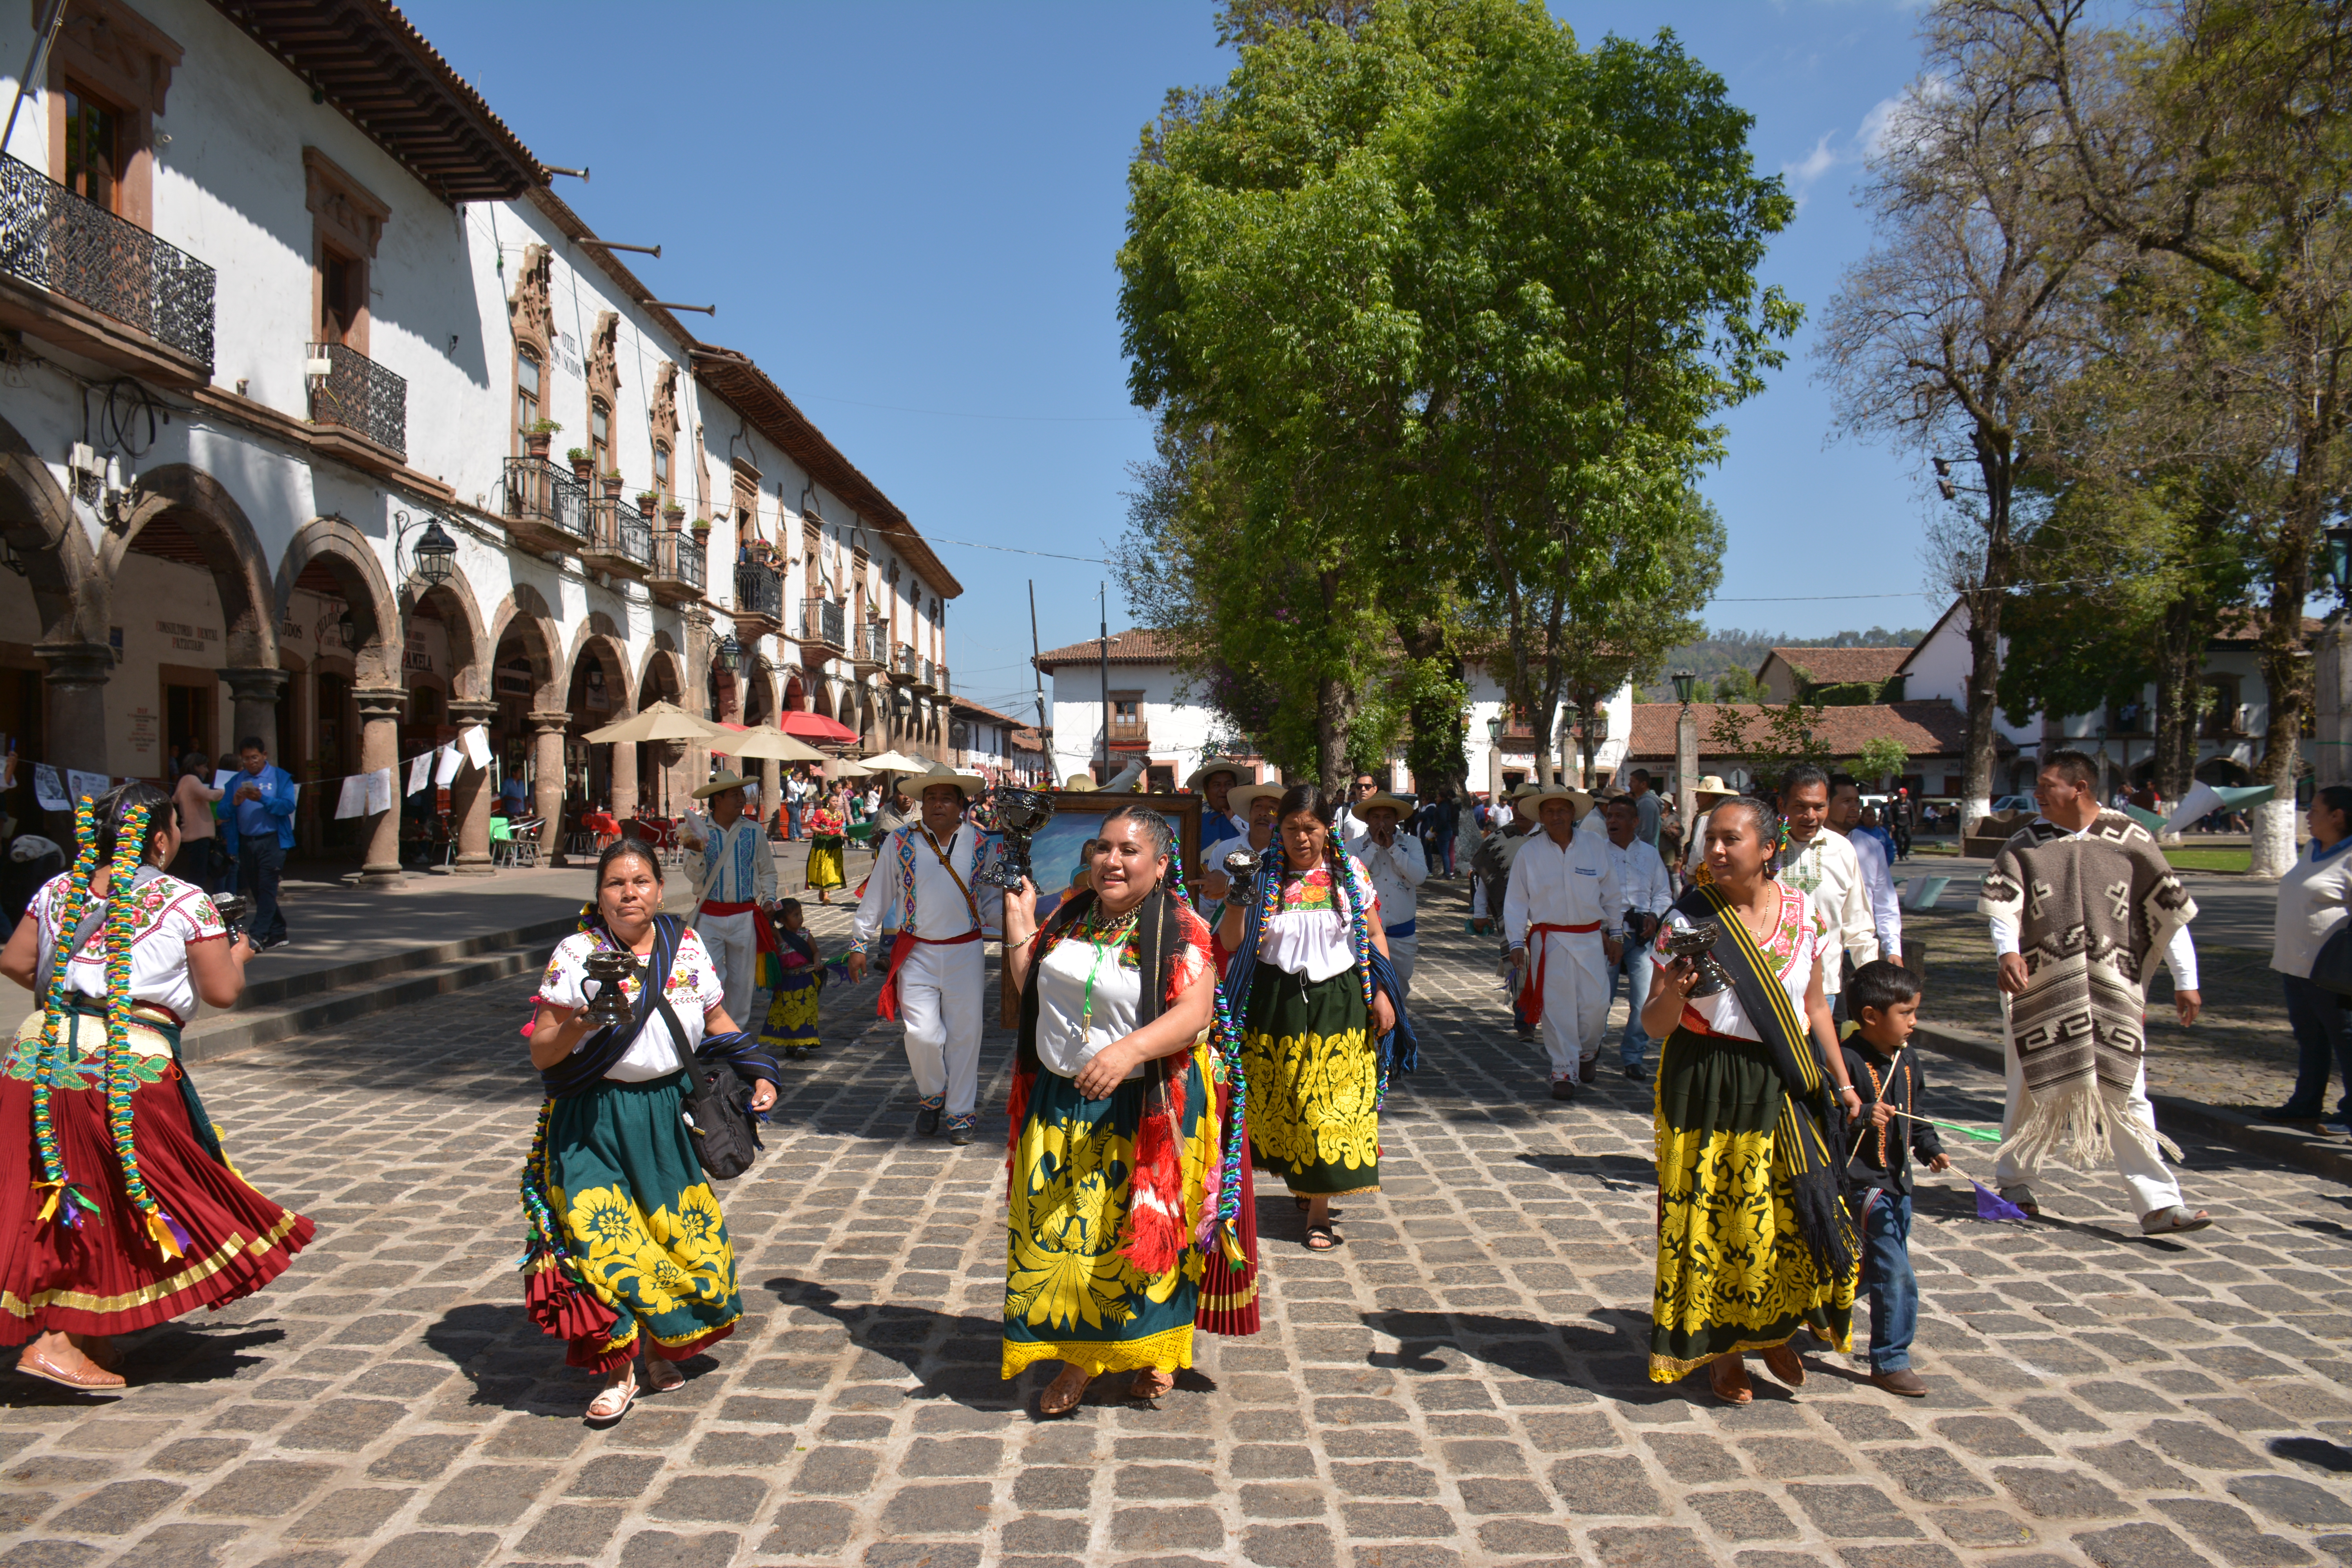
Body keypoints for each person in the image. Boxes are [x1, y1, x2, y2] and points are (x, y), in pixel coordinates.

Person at [0, 781, 312, 1390]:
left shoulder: (57, 890)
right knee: (123, 1197)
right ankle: (57, 1344)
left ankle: (89, 1332)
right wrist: (240, 953)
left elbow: (14, 961)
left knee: (55, 1192)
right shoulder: (183, 900)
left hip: (37, 1056)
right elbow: (221, 992)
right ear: (163, 841)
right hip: (125, 1066)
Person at [521, 838, 777, 1422]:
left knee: (673, 1239)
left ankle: (658, 1350)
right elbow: (542, 1050)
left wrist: (761, 1071)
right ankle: (618, 1368)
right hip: (593, 1118)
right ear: (600, 896)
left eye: (640, 882)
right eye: (615, 883)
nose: (629, 893)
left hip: (666, 1115)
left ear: (661, 890)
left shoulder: (684, 945)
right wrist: (583, 1021)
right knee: (604, 1240)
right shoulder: (575, 953)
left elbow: (715, 1022)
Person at [1641, 795, 1864, 1404]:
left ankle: (1770, 1329)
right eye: (1710, 839)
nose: (1715, 850)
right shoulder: (1686, 920)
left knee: (1782, 1215)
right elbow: (1654, 1025)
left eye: (1730, 839)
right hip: (1705, 1077)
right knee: (1712, 1219)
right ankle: (1724, 1350)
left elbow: (1816, 1006)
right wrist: (1677, 993)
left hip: (1780, 1078)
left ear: (1769, 849)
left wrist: (1842, 1083)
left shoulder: (1800, 911)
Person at [998, 805, 1221, 1413]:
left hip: (1144, 1105)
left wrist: (1127, 1053)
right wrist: (1019, 921)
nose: (1111, 861)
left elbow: (1193, 1015)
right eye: (1102, 848)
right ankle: (1084, 1349)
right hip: (1062, 1099)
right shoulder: (1070, 917)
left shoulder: (1183, 928)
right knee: (1068, 1231)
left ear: (1160, 862)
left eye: (1128, 851)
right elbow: (1033, 993)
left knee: (1137, 1230)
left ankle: (1133, 1352)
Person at [1982, 750, 2210, 1234]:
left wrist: (2186, 979)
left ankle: (2159, 1204)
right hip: (2039, 984)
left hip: (2113, 985)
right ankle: (2015, 1181)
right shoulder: (2027, 844)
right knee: (2027, 1084)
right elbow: (2004, 904)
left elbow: (2166, 910)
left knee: (2128, 1089)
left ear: (2080, 786)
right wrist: (2007, 953)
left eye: (2048, 785)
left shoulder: (2130, 840)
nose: (2039, 793)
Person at [1217, 785, 1405, 1252]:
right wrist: (1239, 897)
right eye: (1291, 828)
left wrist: (1384, 994)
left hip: (1339, 1000)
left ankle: (1319, 1213)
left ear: (1327, 829)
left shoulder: (1349, 875)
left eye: (1311, 828)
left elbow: (1376, 935)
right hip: (1275, 1001)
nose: (1302, 838)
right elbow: (1232, 942)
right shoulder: (1261, 876)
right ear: (1278, 830)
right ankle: (1304, 1180)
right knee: (1289, 1100)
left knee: (1329, 1105)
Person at [848, 768, 1003, 1145]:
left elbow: (992, 902)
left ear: (961, 805)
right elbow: (879, 893)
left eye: (946, 798)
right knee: (922, 1035)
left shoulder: (982, 844)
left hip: (966, 951)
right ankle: (933, 1094)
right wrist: (859, 942)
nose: (937, 804)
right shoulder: (899, 841)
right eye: (931, 797)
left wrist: (1024, 927)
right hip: (916, 951)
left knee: (967, 1035)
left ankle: (961, 1113)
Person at [1838, 958, 1949, 1398]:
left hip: (1901, 1185)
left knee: (1868, 1269)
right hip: (1866, 1186)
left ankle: (1822, 1307)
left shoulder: (1908, 1060)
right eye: (1906, 1013)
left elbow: (1917, 1116)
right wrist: (1863, 1115)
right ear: (1871, 1016)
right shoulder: (1844, 1062)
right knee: (1896, 1271)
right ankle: (1891, 1358)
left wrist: (1930, 1146)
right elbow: (1828, 1121)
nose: (1914, 1023)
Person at [1503, 787, 1622, 1098]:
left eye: (1562, 810)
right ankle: (1563, 1070)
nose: (1556, 816)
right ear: (1541, 816)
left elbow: (1611, 894)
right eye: (1549, 811)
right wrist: (1516, 942)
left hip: (1591, 938)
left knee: (1596, 1007)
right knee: (1557, 1009)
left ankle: (1587, 1052)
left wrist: (1618, 934)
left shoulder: (1595, 846)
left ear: (1573, 813)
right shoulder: (1530, 853)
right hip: (1549, 940)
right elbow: (1516, 900)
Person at [2268, 783, 2352, 1130]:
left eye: (2315, 810)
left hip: (2331, 972)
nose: (2308, 816)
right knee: (2310, 1037)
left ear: (2338, 816)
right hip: (2295, 964)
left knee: (2346, 1041)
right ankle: (2306, 1103)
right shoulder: (2313, 850)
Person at [1777, 764, 1878, 1019]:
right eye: (1800, 806)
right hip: (1768, 987)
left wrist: (1875, 986)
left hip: (1825, 990)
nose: (1810, 816)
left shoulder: (1842, 851)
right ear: (1782, 805)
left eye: (1819, 807)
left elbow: (1858, 926)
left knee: (1818, 1059)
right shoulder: (1763, 848)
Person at [682, 774, 778, 1026]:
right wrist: (696, 852)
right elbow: (694, 876)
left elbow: (767, 870)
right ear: (718, 799)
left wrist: (769, 898)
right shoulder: (698, 832)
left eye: (742, 793)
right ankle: (709, 1029)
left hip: (744, 916)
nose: (742, 799)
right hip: (709, 917)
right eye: (735, 794)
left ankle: (735, 1032)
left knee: (742, 980)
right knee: (710, 976)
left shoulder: (754, 831)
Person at [1600, 795, 1672, 1083]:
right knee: (1600, 998)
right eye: (1609, 816)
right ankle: (1589, 1051)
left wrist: (1654, 916)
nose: (1613, 822)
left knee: (1643, 1000)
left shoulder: (1650, 854)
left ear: (1635, 822)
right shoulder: (1598, 854)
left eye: (1620, 817)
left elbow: (1663, 892)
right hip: (1608, 934)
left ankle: (1633, 1057)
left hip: (1641, 935)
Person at [220, 737, 296, 952]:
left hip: (272, 841)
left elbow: (288, 806)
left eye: (255, 757)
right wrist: (235, 803)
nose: (251, 763)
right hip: (246, 841)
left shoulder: (280, 777)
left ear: (264, 756)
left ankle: (258, 935)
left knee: (267, 887)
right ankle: (278, 932)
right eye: (246, 759)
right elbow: (222, 812)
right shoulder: (236, 781)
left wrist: (262, 799)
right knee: (259, 889)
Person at [1348, 791, 1426, 994]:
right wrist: (1374, 847)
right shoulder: (1354, 847)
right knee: (1364, 988)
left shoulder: (1411, 844)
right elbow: (1349, 878)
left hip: (1402, 934)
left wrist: (1392, 848)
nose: (1381, 823)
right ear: (1367, 819)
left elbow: (1419, 877)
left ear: (1397, 820)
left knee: (1399, 987)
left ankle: (1397, 1024)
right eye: (1376, 817)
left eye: (1387, 817)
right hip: (1364, 933)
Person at [1829, 775, 1902, 967]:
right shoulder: (1806, 848)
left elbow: (1884, 899)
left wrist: (1893, 947)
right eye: (1846, 802)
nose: (1854, 808)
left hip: (1861, 954)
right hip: (1822, 954)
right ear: (1826, 803)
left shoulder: (1871, 846)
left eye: (1856, 802)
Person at [759, 898, 826, 1061]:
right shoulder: (779, 935)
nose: (800, 918)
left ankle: (804, 1044)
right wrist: (769, 912)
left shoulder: (806, 935)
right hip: (787, 982)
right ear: (783, 920)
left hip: (805, 980)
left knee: (805, 1011)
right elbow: (764, 927)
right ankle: (792, 1042)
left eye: (800, 914)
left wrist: (817, 962)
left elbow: (816, 952)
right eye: (795, 915)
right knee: (788, 1012)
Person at [169, 753, 224, 893]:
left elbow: (175, 798)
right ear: (195, 767)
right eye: (204, 767)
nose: (207, 770)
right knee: (198, 878)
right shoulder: (192, 779)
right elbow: (210, 795)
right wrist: (226, 790)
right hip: (199, 835)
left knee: (196, 875)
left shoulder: (184, 781)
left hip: (192, 834)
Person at [1678, 775, 1743, 886]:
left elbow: (1698, 852)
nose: (1696, 797)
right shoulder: (1726, 813)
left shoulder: (1706, 817)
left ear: (1708, 796)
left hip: (1707, 874)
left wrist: (1690, 870)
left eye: (1699, 794)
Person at [804, 791, 848, 905]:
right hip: (822, 844)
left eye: (837, 801)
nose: (836, 803)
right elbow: (813, 827)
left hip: (835, 844)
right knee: (823, 867)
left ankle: (826, 894)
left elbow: (840, 829)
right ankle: (823, 890)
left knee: (831, 869)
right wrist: (822, 831)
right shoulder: (820, 813)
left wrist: (845, 836)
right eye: (834, 801)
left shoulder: (839, 815)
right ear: (828, 802)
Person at [1333, 771, 1379, 844]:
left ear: (1375, 789)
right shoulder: (1343, 811)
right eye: (1359, 787)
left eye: (1368, 787)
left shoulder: (1384, 811)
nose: (1363, 789)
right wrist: (1352, 844)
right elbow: (1334, 840)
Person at [1625, 769, 1662, 851]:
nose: (1629, 785)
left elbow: (1646, 832)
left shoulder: (1647, 803)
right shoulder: (1642, 801)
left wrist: (1634, 849)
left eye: (1633, 782)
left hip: (1644, 851)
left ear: (1643, 784)